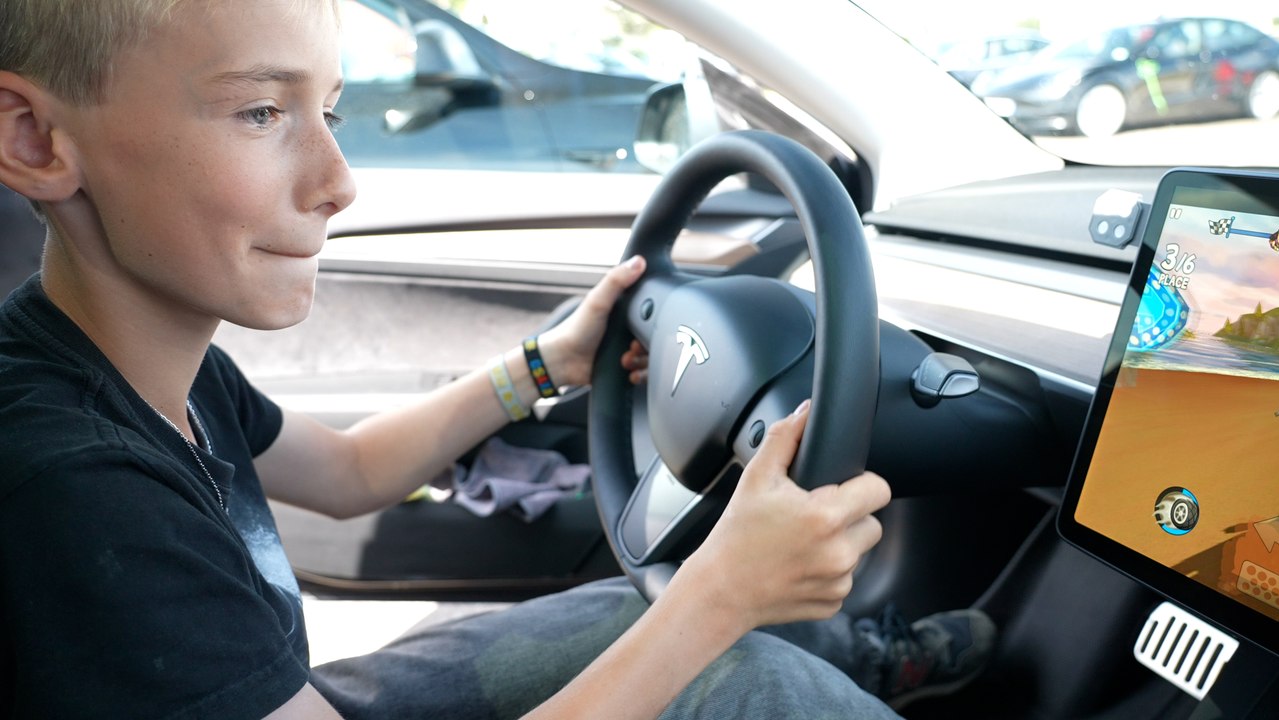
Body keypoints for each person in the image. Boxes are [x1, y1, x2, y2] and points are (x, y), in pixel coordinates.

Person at [0, 0, 993, 717]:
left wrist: (549, 363)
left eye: (330, 112)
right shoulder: (70, 487)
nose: (339, 181)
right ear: (37, 137)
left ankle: (864, 664)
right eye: (261, 112)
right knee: (743, 669)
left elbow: (349, 475)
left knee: (625, 607)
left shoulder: (128, 359)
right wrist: (722, 593)